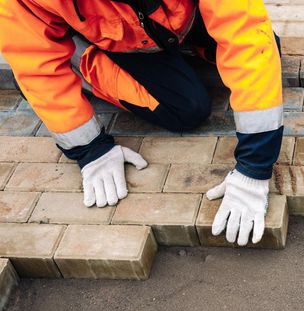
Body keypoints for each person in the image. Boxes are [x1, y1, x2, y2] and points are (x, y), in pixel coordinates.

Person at [0, 0, 283, 247]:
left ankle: (182, 50)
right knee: (186, 109)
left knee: (268, 47)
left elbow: (246, 37)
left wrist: (255, 166)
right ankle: (77, 56)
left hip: (178, 21)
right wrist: (90, 149)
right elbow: (35, 61)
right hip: (118, 41)